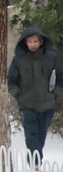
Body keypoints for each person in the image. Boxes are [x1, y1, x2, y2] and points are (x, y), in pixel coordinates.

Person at [8, 26, 62, 157]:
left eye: (35, 41)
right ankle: (34, 162)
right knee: (31, 133)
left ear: (41, 42)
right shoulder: (19, 59)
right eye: (30, 42)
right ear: (25, 42)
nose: (32, 45)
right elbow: (11, 80)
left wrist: (56, 95)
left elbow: (61, 76)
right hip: (27, 103)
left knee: (41, 134)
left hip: (47, 103)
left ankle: (36, 162)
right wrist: (18, 94)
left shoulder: (51, 57)